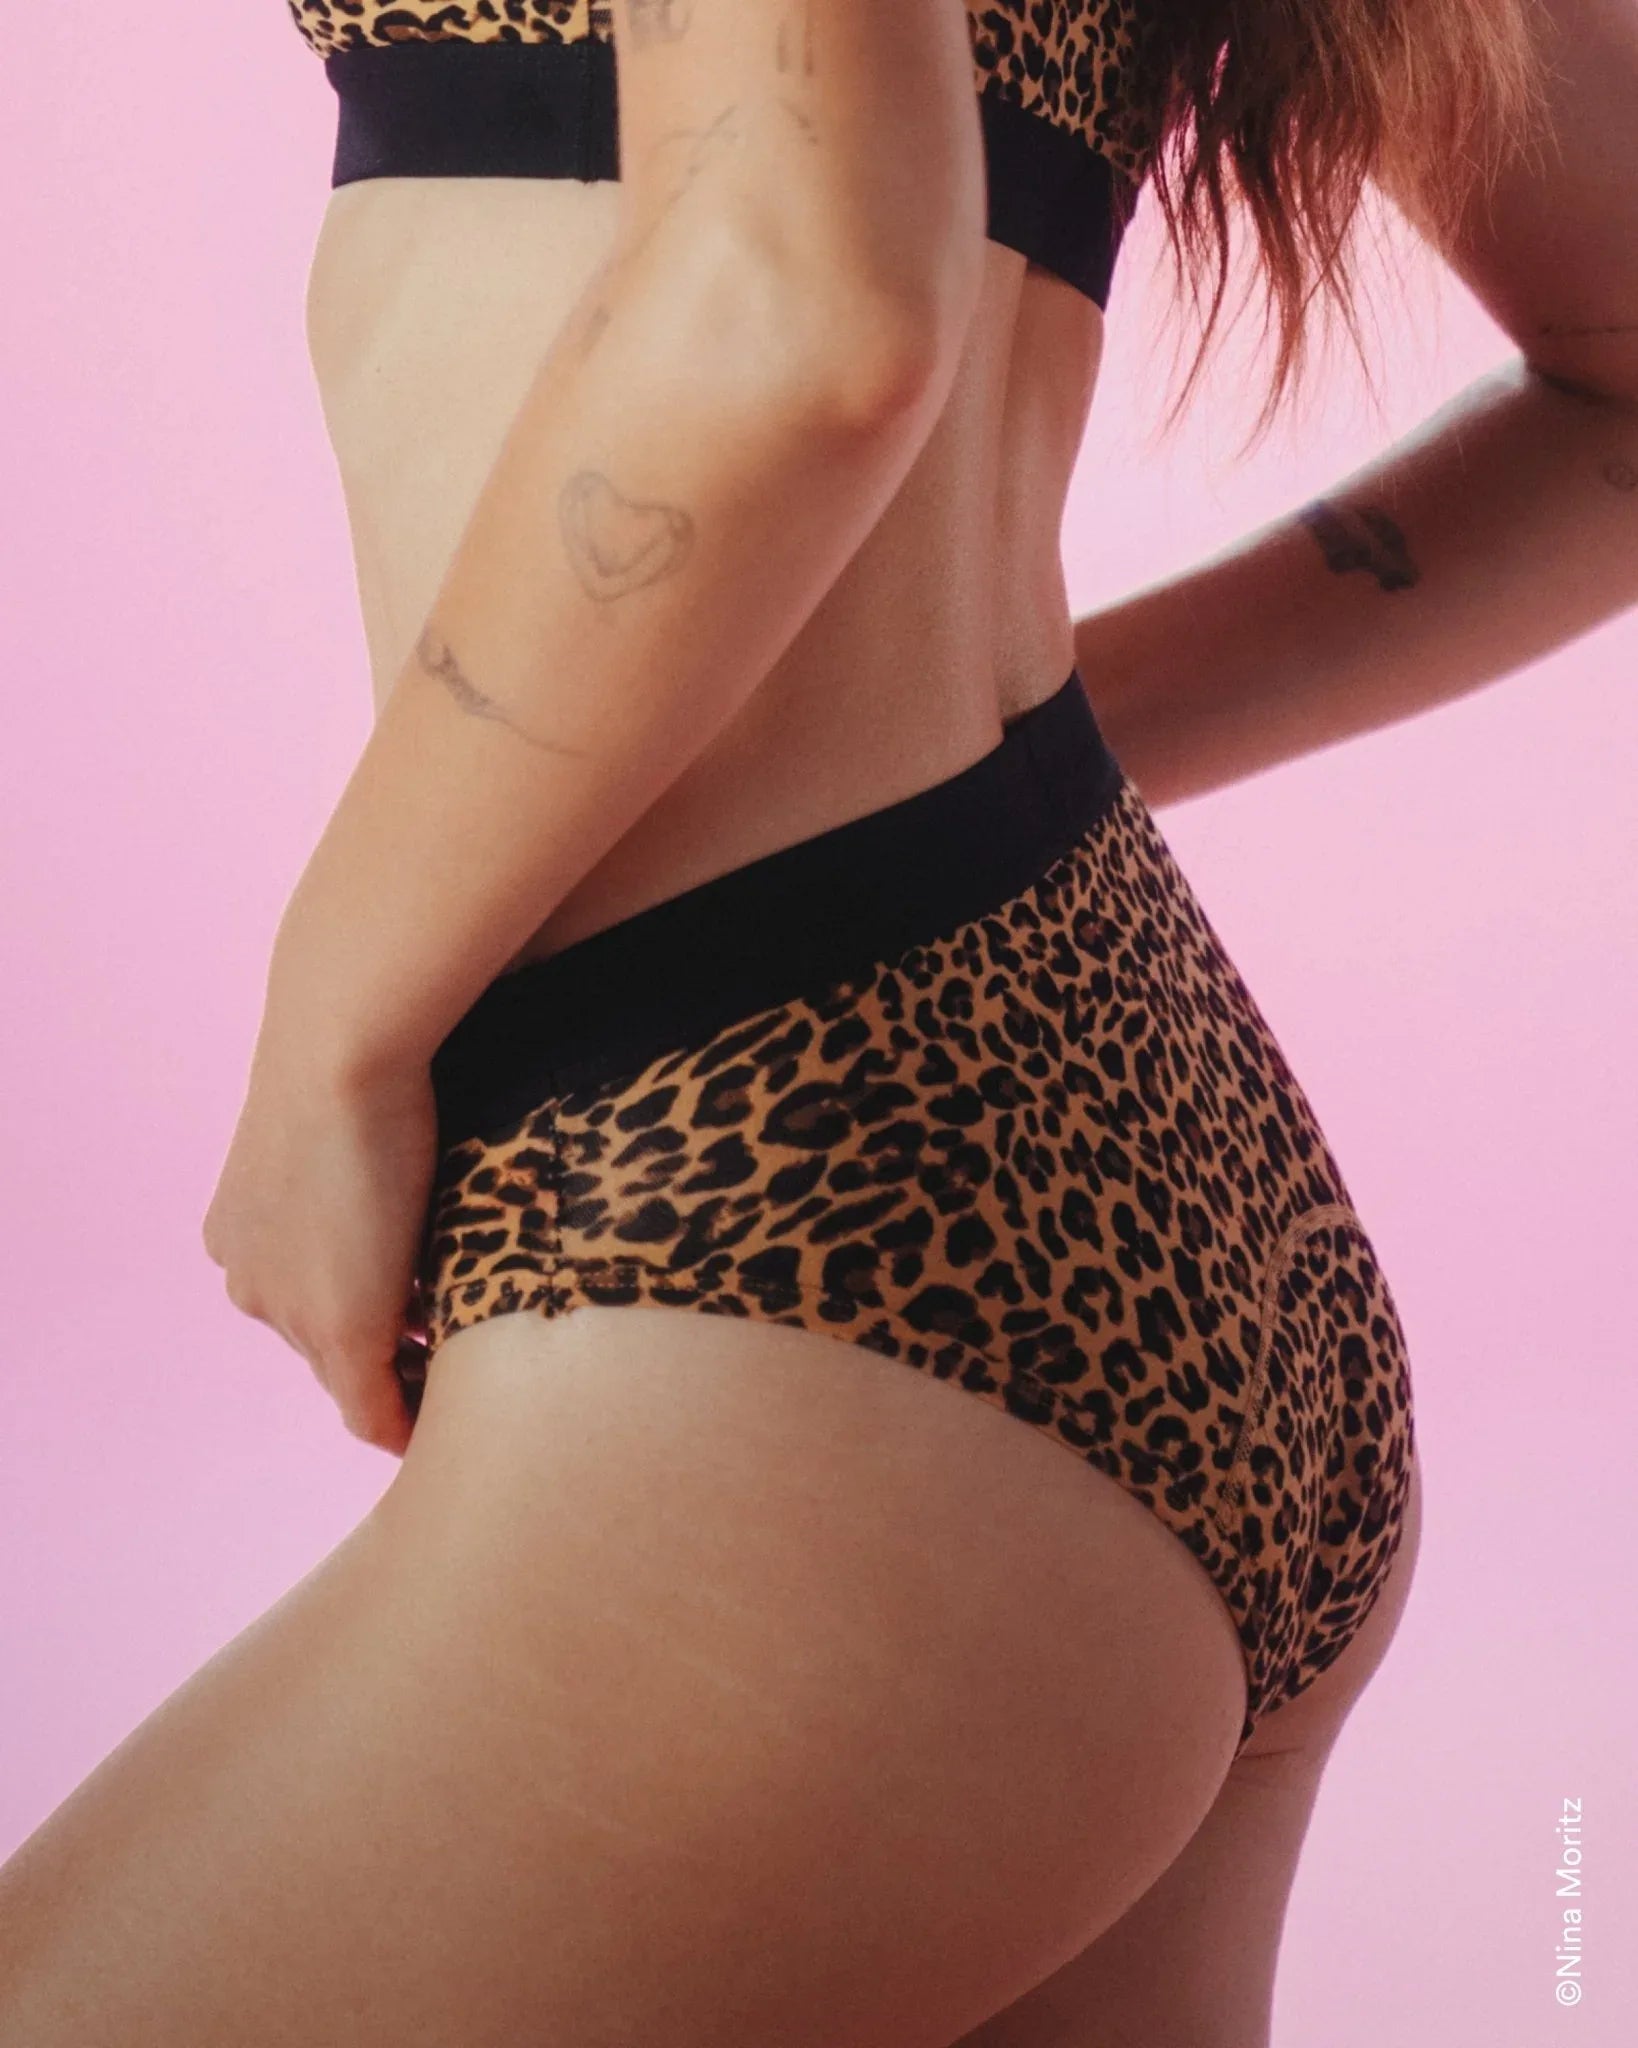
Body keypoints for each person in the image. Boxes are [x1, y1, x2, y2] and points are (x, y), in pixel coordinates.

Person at [1, 0, 1633, 2041]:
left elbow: (805, 295)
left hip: (796, 1235)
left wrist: (332, 1023)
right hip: (1146, 1179)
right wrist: (984, 738)